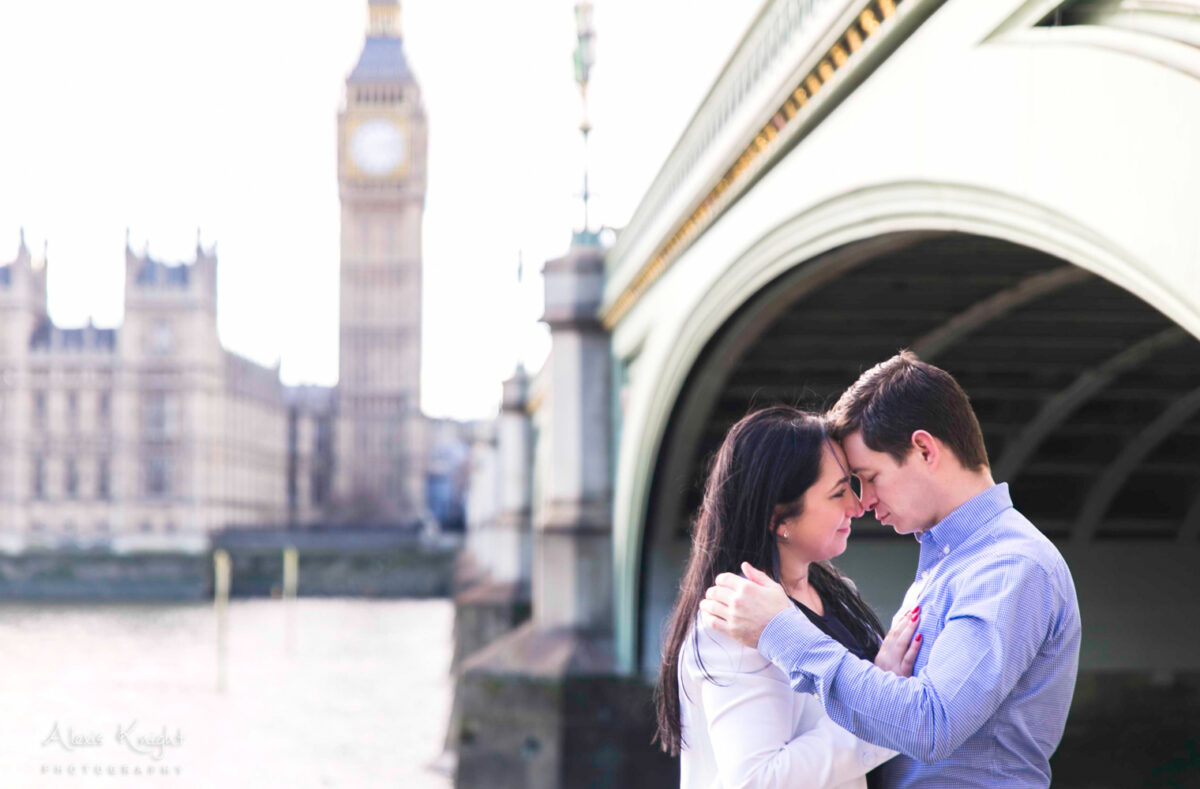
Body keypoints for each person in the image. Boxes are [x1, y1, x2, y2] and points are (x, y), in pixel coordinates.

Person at [700, 352, 1082, 788]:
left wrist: (784, 634)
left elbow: (932, 724)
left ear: (924, 449)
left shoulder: (1008, 566)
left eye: (869, 476)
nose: (864, 502)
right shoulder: (953, 560)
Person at [654, 406, 924, 789]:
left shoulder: (838, 595)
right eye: (837, 493)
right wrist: (881, 716)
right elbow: (755, 780)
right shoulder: (733, 622)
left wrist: (877, 686)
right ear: (778, 519)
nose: (857, 504)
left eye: (851, 484)